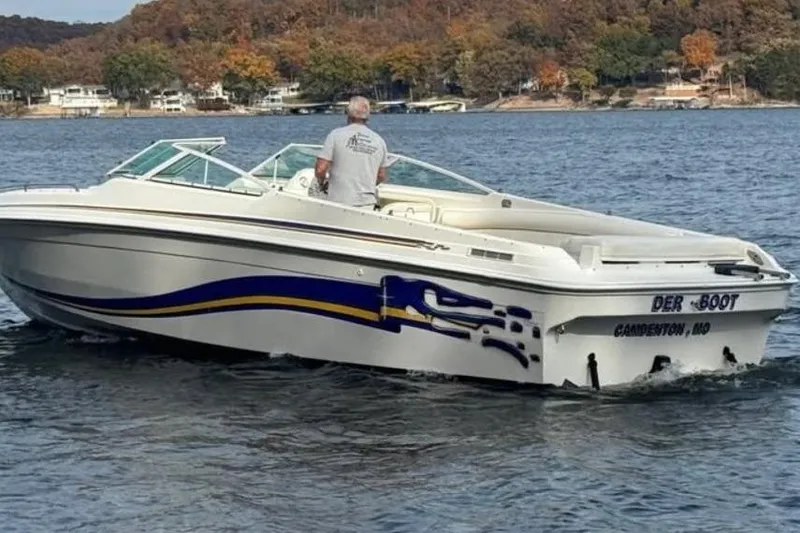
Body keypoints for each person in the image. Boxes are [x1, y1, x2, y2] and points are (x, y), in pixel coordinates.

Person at [315, 96, 388, 209]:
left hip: (339, 202)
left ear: (348, 113)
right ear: (368, 116)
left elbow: (320, 169)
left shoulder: (335, 135)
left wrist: (322, 183)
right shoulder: (379, 141)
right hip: (367, 204)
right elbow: (381, 176)